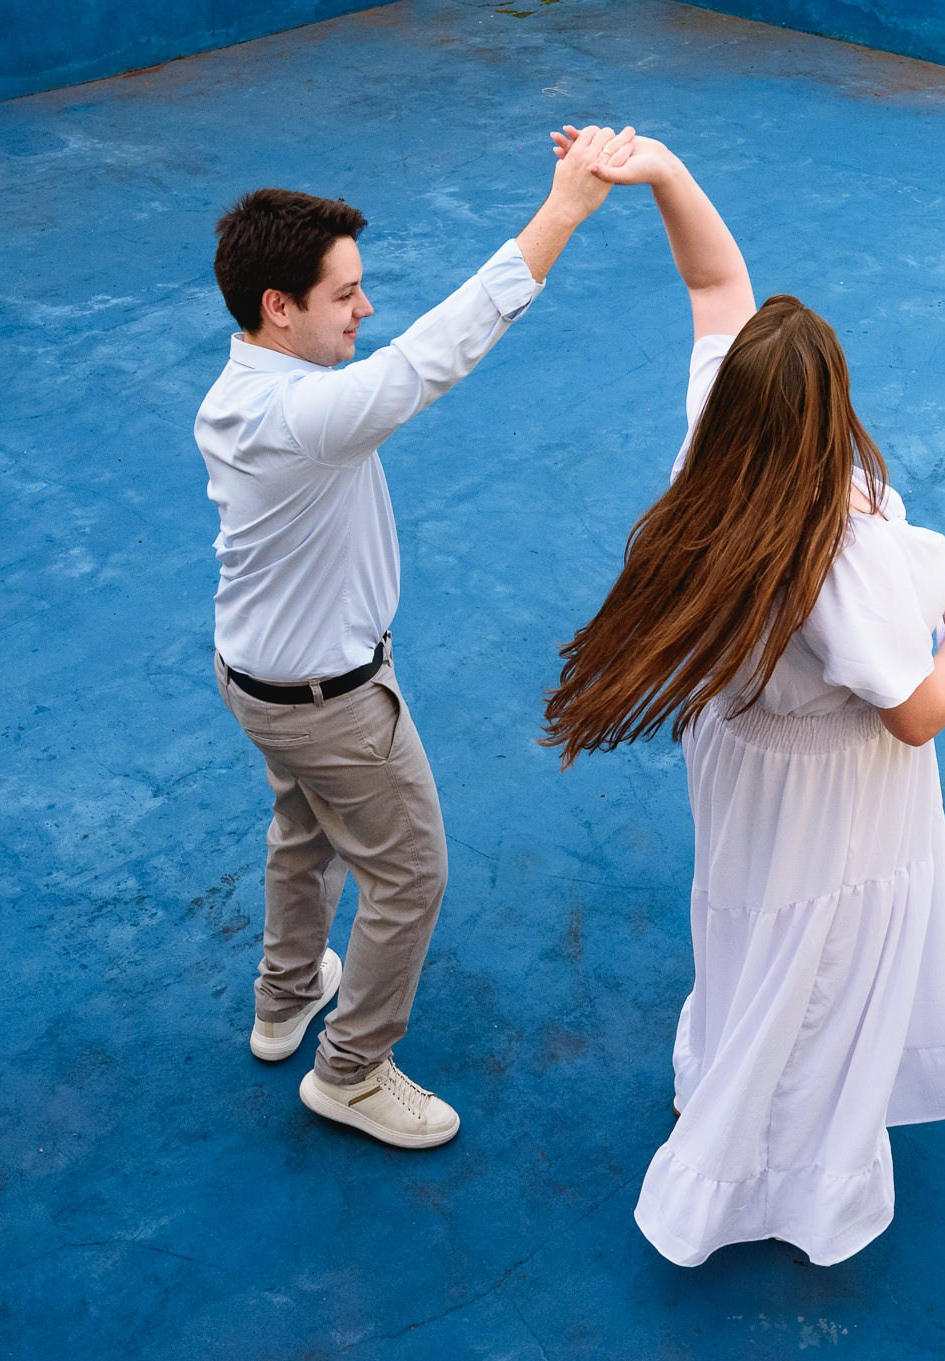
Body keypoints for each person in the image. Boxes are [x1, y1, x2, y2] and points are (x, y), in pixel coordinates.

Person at [542, 130, 945, 1263]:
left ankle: (725, 1078)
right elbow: (914, 713)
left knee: (751, 933)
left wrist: (660, 171)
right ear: (832, 409)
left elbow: (713, 284)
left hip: (742, 761)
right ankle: (782, 1179)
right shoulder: (842, 551)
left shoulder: (713, 459)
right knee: (822, 966)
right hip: (833, 792)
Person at [198, 126, 628, 1150]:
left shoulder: (238, 392)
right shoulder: (304, 414)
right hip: (335, 704)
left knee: (305, 833)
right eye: (346, 294)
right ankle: (350, 1070)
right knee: (408, 876)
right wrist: (562, 210)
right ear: (279, 306)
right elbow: (435, 353)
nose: (365, 308)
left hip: (256, 680)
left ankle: (285, 999)